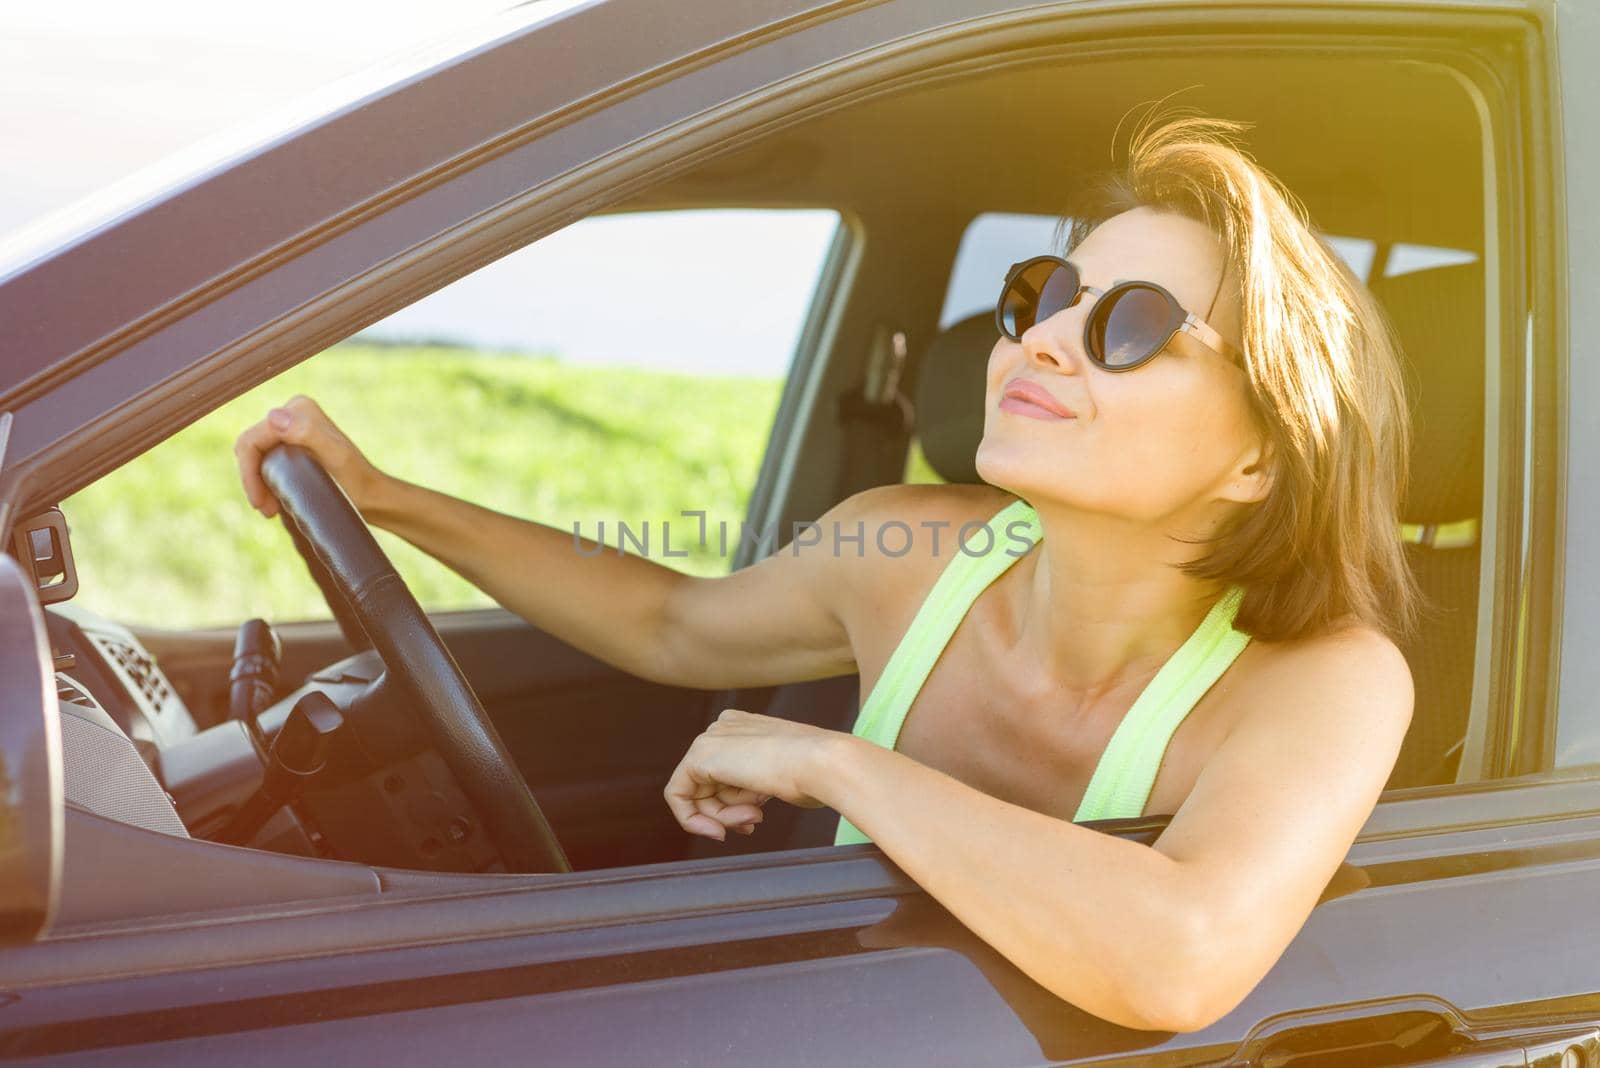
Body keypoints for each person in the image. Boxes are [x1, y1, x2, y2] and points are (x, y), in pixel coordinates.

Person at [234, 112, 1418, 1033]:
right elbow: (671, 625)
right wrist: (383, 496)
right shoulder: (912, 548)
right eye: (1045, 295)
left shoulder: (1324, 683)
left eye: (1132, 325)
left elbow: (1180, 959)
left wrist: (837, 764)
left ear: (1263, 453)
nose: (1042, 337)